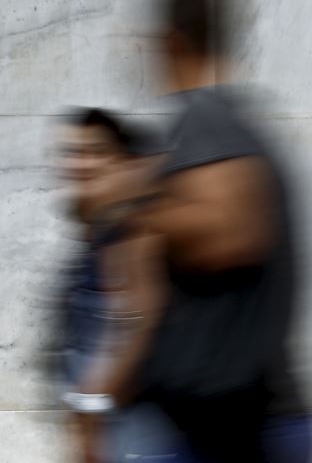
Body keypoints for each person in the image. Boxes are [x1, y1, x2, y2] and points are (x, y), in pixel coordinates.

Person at [76, 0, 312, 462]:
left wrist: (131, 203)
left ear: (171, 43)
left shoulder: (206, 119)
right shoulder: (233, 123)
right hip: (239, 424)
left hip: (229, 430)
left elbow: (231, 236)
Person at [52, 108, 175, 462]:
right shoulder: (98, 231)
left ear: (123, 162)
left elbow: (144, 320)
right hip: (112, 425)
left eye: (95, 152)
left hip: (136, 428)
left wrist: (93, 405)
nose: (81, 164)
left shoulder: (133, 231)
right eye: (73, 153)